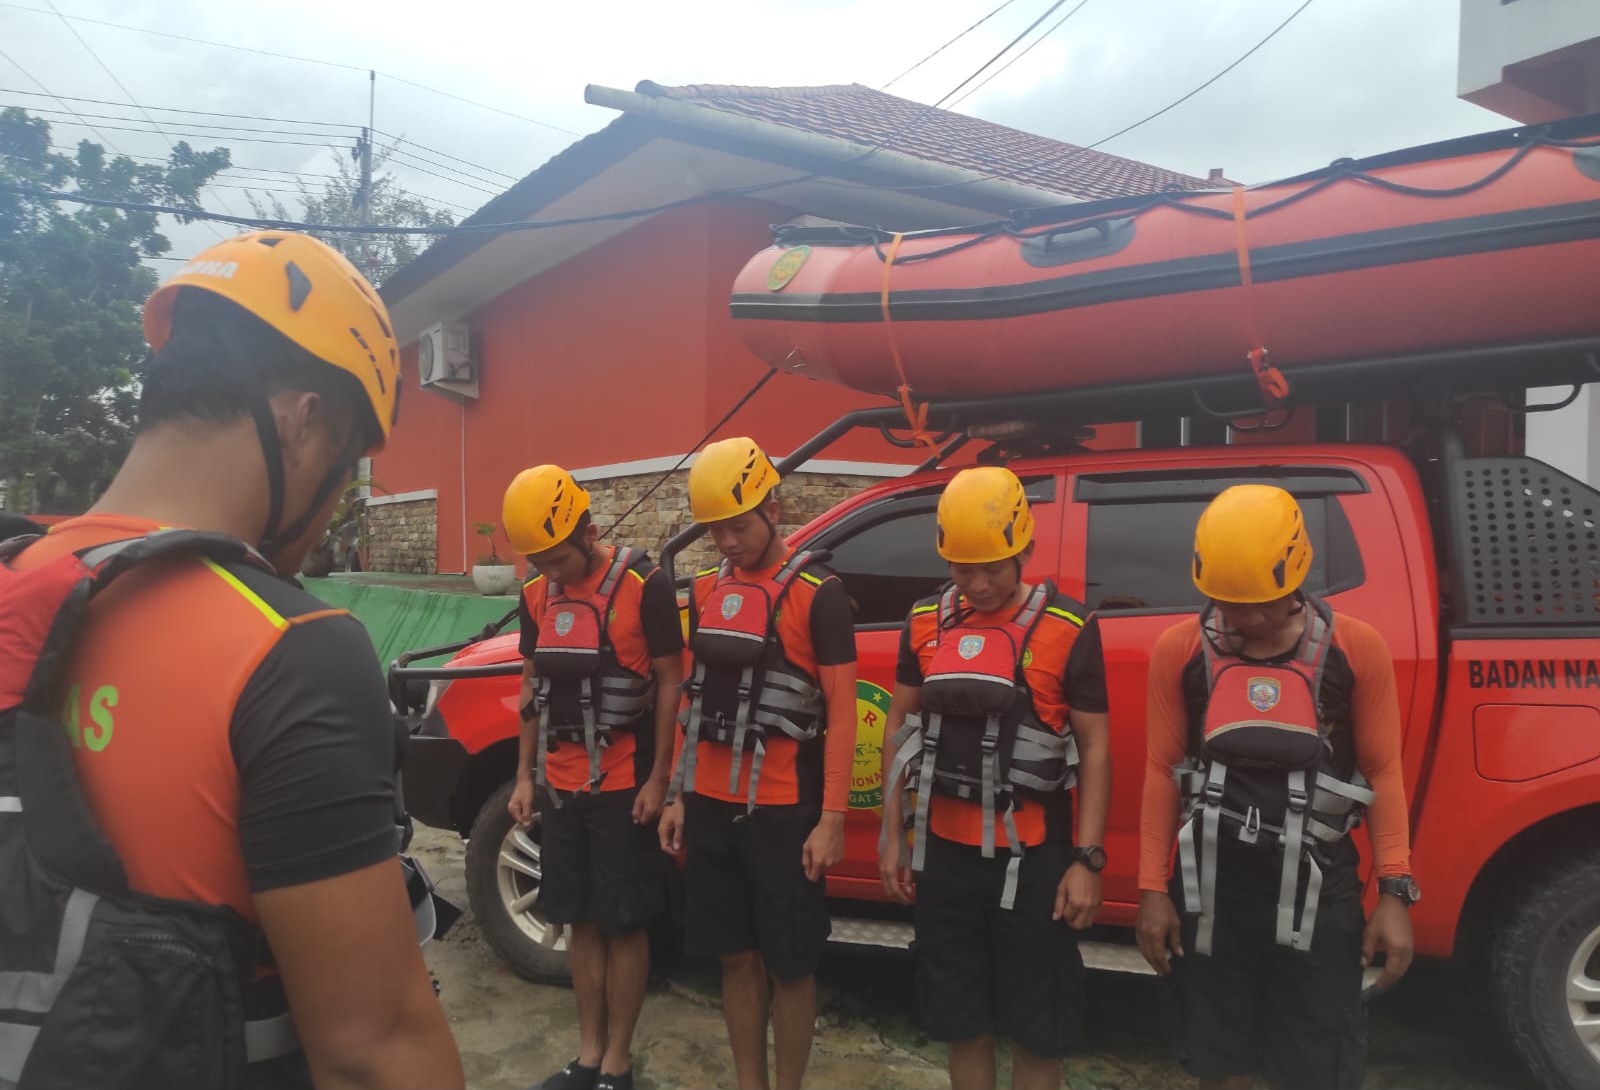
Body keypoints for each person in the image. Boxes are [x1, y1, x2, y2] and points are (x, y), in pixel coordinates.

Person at [0, 232, 465, 1090]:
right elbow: (373, 1053)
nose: (333, 510)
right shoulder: (292, 648)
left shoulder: (15, 579)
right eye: (349, 470)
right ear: (304, 424)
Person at [1135, 484, 1417, 1090]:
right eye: (1229, 605)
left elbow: (1385, 772)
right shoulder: (1179, 650)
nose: (1248, 620)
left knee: (1315, 1069)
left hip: (1320, 896)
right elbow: (1161, 771)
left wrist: (1395, 891)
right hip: (1212, 896)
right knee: (1220, 1062)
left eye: (1263, 604)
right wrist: (1151, 891)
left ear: (1297, 576)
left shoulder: (1355, 648)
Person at [877, 465, 1112, 1090]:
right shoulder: (924, 620)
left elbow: (1094, 747)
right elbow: (900, 729)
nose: (977, 584)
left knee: (1038, 1028)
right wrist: (893, 835)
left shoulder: (1068, 627)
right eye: (962, 569)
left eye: (994, 568)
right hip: (945, 859)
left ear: (1025, 551)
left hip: (1032, 862)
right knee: (962, 1020)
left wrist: (1086, 859)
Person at [657, 437, 857, 1090]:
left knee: (790, 967)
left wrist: (831, 819)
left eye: (738, 526)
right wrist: (679, 795)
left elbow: (842, 713)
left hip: (784, 816)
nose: (727, 542)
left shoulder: (820, 595)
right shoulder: (706, 590)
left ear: (774, 506)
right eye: (715, 529)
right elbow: (695, 697)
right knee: (735, 959)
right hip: (712, 809)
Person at [503, 464, 685, 1090]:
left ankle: (618, 1062)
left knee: (623, 922)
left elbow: (670, 681)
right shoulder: (535, 595)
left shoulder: (644, 584)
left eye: (556, 557)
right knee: (578, 919)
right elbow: (530, 685)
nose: (549, 571)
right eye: (539, 560)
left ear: (588, 527)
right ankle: (587, 1056)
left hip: (623, 784)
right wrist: (523, 776)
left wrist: (662, 779)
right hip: (558, 784)